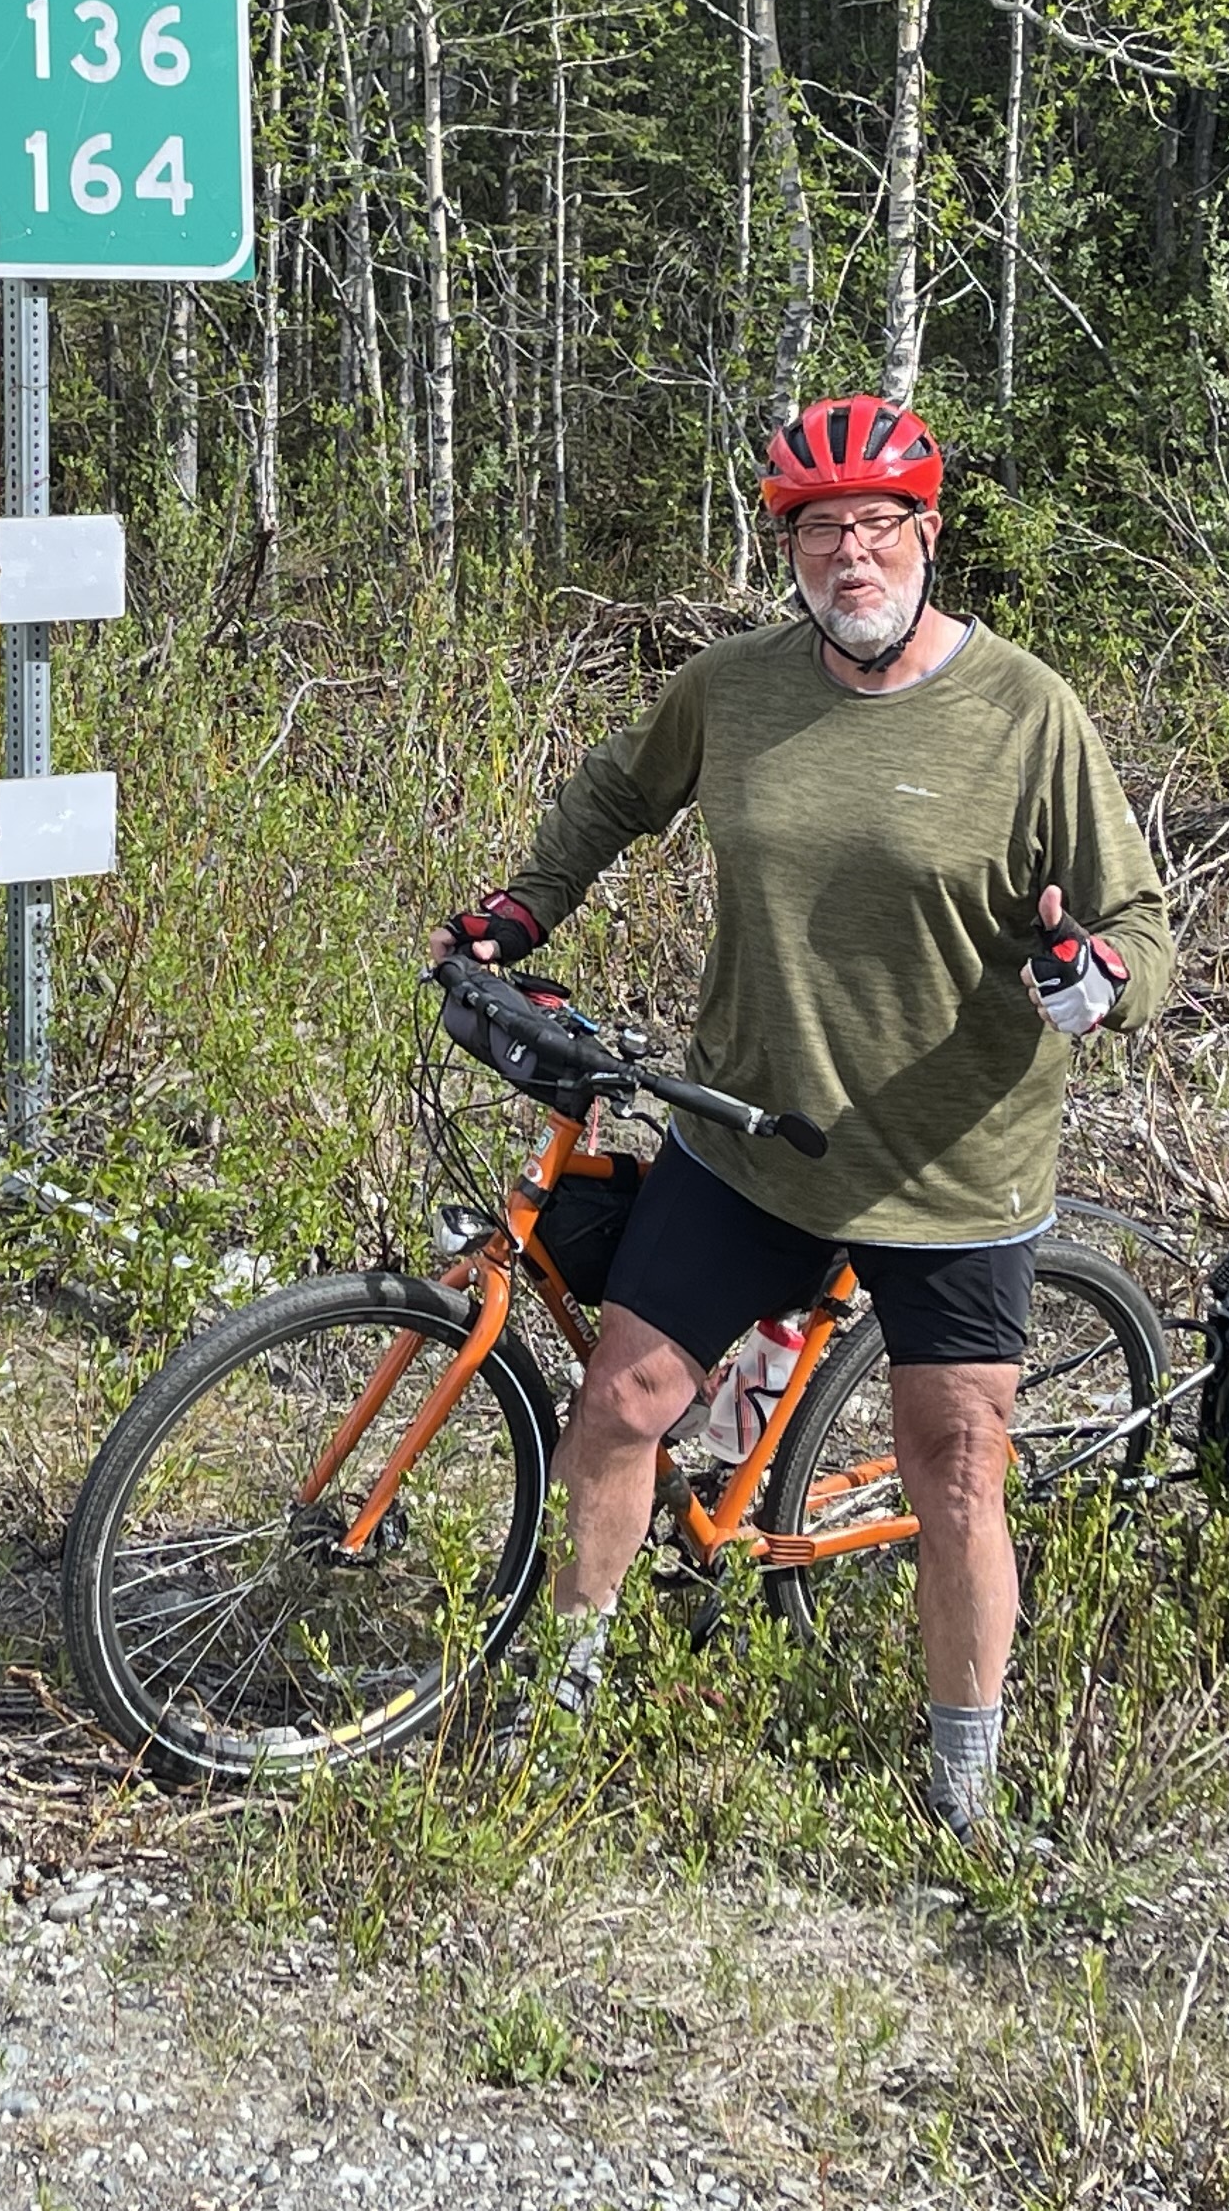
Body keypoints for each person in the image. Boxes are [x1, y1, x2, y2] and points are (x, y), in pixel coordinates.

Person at [438, 398, 1169, 1834]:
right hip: (748, 1138)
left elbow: (1138, 922)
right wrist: (524, 908)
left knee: (955, 1472)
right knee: (618, 1406)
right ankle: (559, 1709)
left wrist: (1100, 976)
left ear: (927, 536)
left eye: (878, 526)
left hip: (952, 1170)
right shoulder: (736, 688)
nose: (852, 557)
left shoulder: (1027, 713)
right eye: (821, 530)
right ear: (788, 547)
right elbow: (615, 792)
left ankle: (963, 1789)